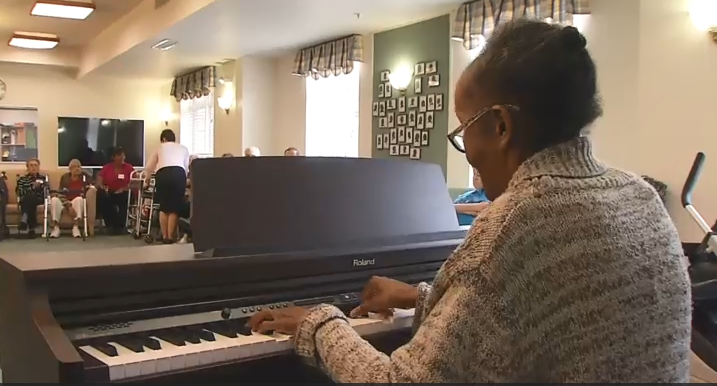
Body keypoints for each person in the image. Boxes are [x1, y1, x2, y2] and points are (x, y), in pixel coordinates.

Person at [248, 19, 691, 382]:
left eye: (462, 130)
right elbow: (537, 321)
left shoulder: (516, 223)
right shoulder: (640, 195)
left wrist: (321, 323)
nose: (468, 150)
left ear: (499, 127)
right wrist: (426, 299)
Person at [145, 129, 189, 244]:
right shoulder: (183, 148)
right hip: (179, 174)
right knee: (174, 207)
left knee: (164, 207)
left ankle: (164, 236)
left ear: (163, 139)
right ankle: (171, 237)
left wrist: (147, 180)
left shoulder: (160, 147)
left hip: (163, 174)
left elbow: (149, 166)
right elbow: (186, 167)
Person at [48, 159, 91, 238]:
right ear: (70, 169)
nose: (77, 169)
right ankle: (56, 228)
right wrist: (68, 205)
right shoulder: (65, 177)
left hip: (76, 200)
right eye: (74, 167)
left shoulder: (85, 176)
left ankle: (75, 227)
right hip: (65, 201)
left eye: (79, 166)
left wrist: (88, 187)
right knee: (54, 200)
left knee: (79, 199)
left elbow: (89, 188)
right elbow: (60, 193)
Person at [96, 147, 134, 234]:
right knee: (102, 197)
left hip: (124, 192)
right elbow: (99, 180)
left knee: (125, 198)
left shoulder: (129, 168)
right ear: (114, 157)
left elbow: (134, 183)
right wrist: (103, 187)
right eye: (120, 155)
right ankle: (110, 225)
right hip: (110, 192)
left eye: (123, 155)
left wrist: (123, 189)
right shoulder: (106, 168)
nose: (122, 157)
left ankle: (120, 226)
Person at [16, 158, 48, 239]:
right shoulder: (22, 179)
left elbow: (46, 192)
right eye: (31, 165)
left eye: (35, 165)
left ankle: (24, 218)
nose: (33, 167)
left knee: (31, 198)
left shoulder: (43, 179)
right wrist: (32, 188)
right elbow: (20, 192)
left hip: (39, 199)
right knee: (29, 198)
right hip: (26, 200)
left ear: (38, 167)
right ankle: (31, 229)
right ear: (27, 168)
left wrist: (37, 188)